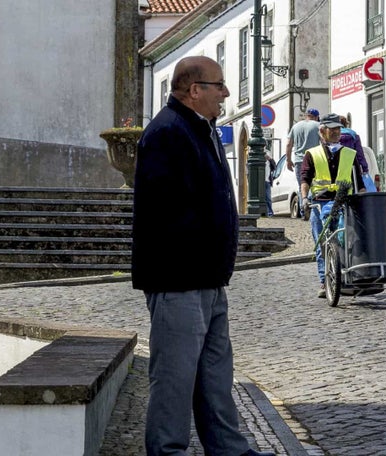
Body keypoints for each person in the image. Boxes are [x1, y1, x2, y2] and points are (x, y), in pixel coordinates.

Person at [132, 56, 272, 456]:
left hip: (208, 278)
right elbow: (162, 214)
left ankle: (228, 449)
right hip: (178, 279)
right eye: (219, 85)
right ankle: (167, 451)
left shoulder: (199, 128)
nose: (226, 93)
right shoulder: (167, 132)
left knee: (214, 373)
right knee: (174, 377)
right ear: (194, 90)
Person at [300, 113, 367, 298]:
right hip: (319, 203)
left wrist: (362, 200)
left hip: (344, 202)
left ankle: (347, 275)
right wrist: (305, 198)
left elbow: (359, 182)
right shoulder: (312, 154)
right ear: (322, 131)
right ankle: (325, 281)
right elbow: (305, 178)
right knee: (322, 244)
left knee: (346, 239)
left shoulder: (349, 154)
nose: (337, 132)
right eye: (332, 129)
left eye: (338, 128)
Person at [286, 108, 321, 217]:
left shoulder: (295, 127)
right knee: (315, 184)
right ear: (316, 117)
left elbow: (289, 144)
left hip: (299, 160)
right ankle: (312, 208)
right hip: (315, 158)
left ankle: (303, 209)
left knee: (302, 185)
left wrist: (288, 160)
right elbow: (324, 142)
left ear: (306, 115)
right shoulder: (318, 126)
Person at [264, 151, 276, 217]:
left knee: (268, 198)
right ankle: (265, 212)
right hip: (261, 181)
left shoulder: (269, 162)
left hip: (267, 182)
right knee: (262, 198)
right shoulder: (261, 162)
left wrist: (270, 159)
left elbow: (274, 166)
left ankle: (270, 213)